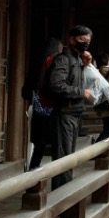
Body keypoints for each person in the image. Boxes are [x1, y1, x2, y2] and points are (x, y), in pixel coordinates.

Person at [46, 25, 94, 188]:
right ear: (72, 39)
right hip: (64, 113)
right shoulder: (63, 59)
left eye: (88, 41)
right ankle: (61, 197)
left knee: (69, 156)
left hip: (74, 112)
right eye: (82, 40)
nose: (85, 43)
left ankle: (63, 195)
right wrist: (81, 92)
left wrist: (86, 65)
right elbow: (57, 85)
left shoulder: (78, 60)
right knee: (63, 158)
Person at [22, 37, 63, 171]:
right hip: (52, 108)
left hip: (36, 106)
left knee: (38, 146)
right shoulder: (55, 64)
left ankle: (32, 171)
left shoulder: (36, 65)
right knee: (57, 145)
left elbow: (25, 91)